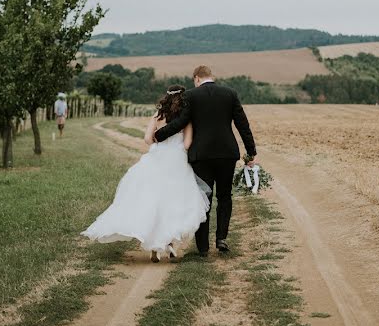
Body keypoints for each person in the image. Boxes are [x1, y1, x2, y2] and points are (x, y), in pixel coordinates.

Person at [82, 86, 210, 262]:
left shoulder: (157, 116)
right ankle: (170, 244)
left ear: (166, 97)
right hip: (177, 161)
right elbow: (187, 144)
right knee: (173, 202)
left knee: (154, 200)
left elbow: (148, 139)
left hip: (157, 158)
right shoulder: (185, 119)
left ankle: (154, 250)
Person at [153, 65, 257, 257]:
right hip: (227, 153)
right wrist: (251, 153)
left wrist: (159, 135)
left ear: (197, 78)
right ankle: (221, 238)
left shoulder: (191, 96)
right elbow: (243, 124)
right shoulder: (230, 94)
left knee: (203, 199)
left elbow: (181, 122)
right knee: (225, 197)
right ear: (211, 76)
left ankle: (202, 248)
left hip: (201, 156)